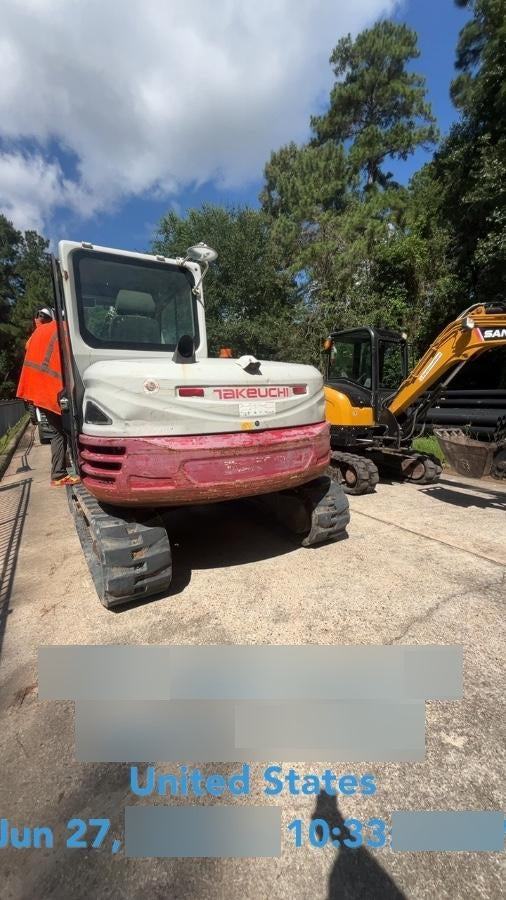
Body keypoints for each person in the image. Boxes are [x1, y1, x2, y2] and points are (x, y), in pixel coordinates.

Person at [16, 316, 80, 487]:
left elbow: (28, 346)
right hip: (49, 389)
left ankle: (62, 466)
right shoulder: (65, 328)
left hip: (36, 388)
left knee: (59, 430)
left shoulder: (40, 331)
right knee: (61, 432)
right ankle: (58, 475)